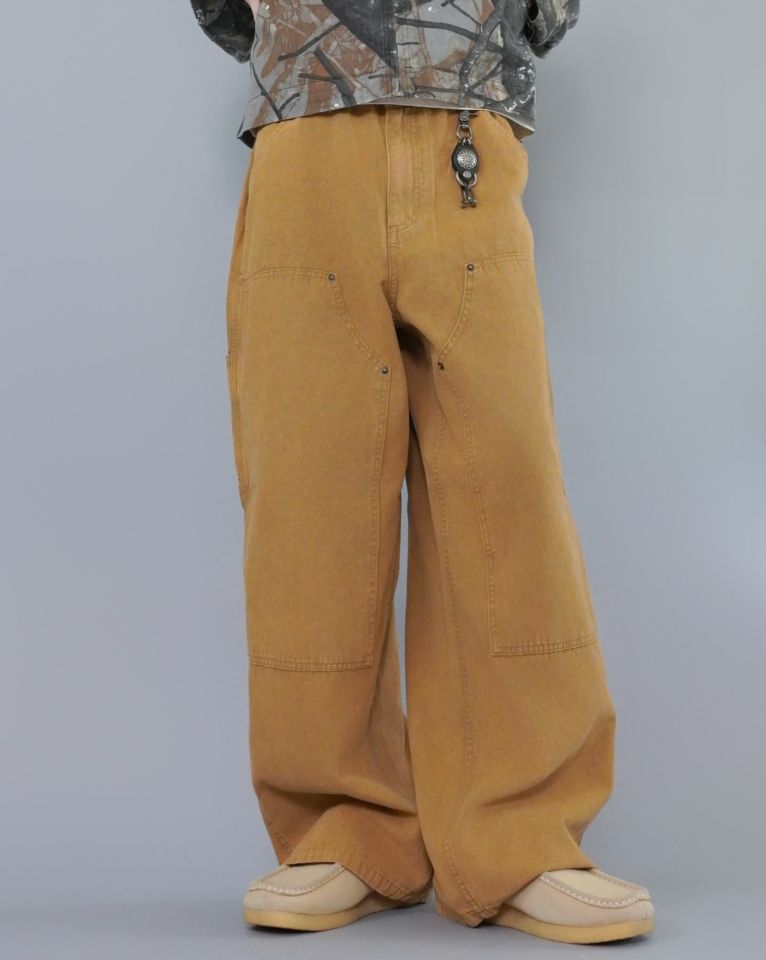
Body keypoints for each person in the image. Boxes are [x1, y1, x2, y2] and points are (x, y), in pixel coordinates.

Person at [190, 0, 655, 944]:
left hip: (466, 127)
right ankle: (342, 829)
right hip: (305, 130)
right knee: (310, 491)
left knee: (505, 489)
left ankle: (521, 836)